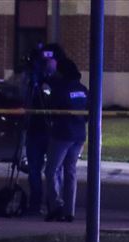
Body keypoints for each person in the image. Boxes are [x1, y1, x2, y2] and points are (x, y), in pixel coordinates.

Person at [43, 58, 88, 222]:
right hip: (79, 136)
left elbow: (52, 109)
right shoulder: (83, 90)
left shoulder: (61, 89)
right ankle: (70, 211)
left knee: (51, 170)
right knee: (70, 172)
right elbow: (89, 113)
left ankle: (56, 206)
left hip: (62, 135)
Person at [22, 44, 62, 215]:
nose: (47, 63)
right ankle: (35, 203)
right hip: (34, 130)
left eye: (50, 60)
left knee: (54, 170)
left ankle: (54, 204)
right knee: (34, 169)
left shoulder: (58, 83)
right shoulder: (33, 81)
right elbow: (26, 98)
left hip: (52, 132)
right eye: (44, 60)